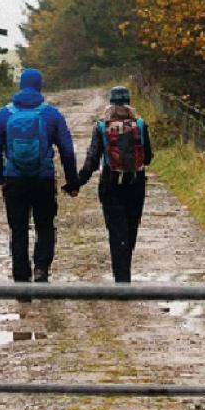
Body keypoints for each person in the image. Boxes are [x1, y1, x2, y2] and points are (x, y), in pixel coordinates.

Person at [0, 67, 78, 286]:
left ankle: (21, 275)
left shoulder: (4, 114)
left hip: (14, 179)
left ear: (20, 85)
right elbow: (66, 148)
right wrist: (72, 179)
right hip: (43, 178)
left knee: (18, 228)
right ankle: (41, 268)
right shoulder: (51, 114)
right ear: (39, 86)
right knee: (45, 225)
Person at [69, 85, 153, 284]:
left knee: (117, 231)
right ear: (129, 101)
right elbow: (148, 158)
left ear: (111, 102)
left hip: (110, 182)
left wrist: (77, 182)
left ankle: (121, 279)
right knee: (131, 228)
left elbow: (92, 159)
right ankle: (126, 272)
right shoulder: (140, 124)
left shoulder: (102, 126)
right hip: (135, 182)